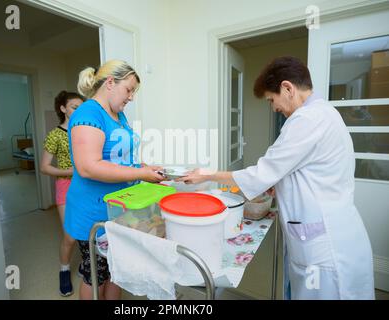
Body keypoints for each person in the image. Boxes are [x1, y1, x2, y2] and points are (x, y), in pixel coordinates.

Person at [178, 56, 375, 300]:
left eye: (272, 99)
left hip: (325, 248)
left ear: (288, 88)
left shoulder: (307, 120)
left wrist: (207, 174)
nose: (274, 108)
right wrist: (279, 185)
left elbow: (262, 172)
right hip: (337, 232)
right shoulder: (325, 113)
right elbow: (305, 171)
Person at [65, 60, 165, 300]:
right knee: (95, 275)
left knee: (115, 271)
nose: (131, 97)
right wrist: (141, 174)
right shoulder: (88, 113)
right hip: (93, 213)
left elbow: (119, 160)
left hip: (119, 209)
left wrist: (144, 168)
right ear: (110, 83)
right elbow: (89, 167)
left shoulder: (119, 115)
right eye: (129, 90)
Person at [40, 90, 84, 296]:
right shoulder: (55, 135)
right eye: (75, 106)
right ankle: (64, 270)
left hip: (88, 187)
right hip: (66, 187)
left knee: (89, 232)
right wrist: (69, 171)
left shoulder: (86, 131)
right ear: (63, 109)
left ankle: (89, 266)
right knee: (70, 236)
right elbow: (44, 167)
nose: (79, 110)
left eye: (81, 107)